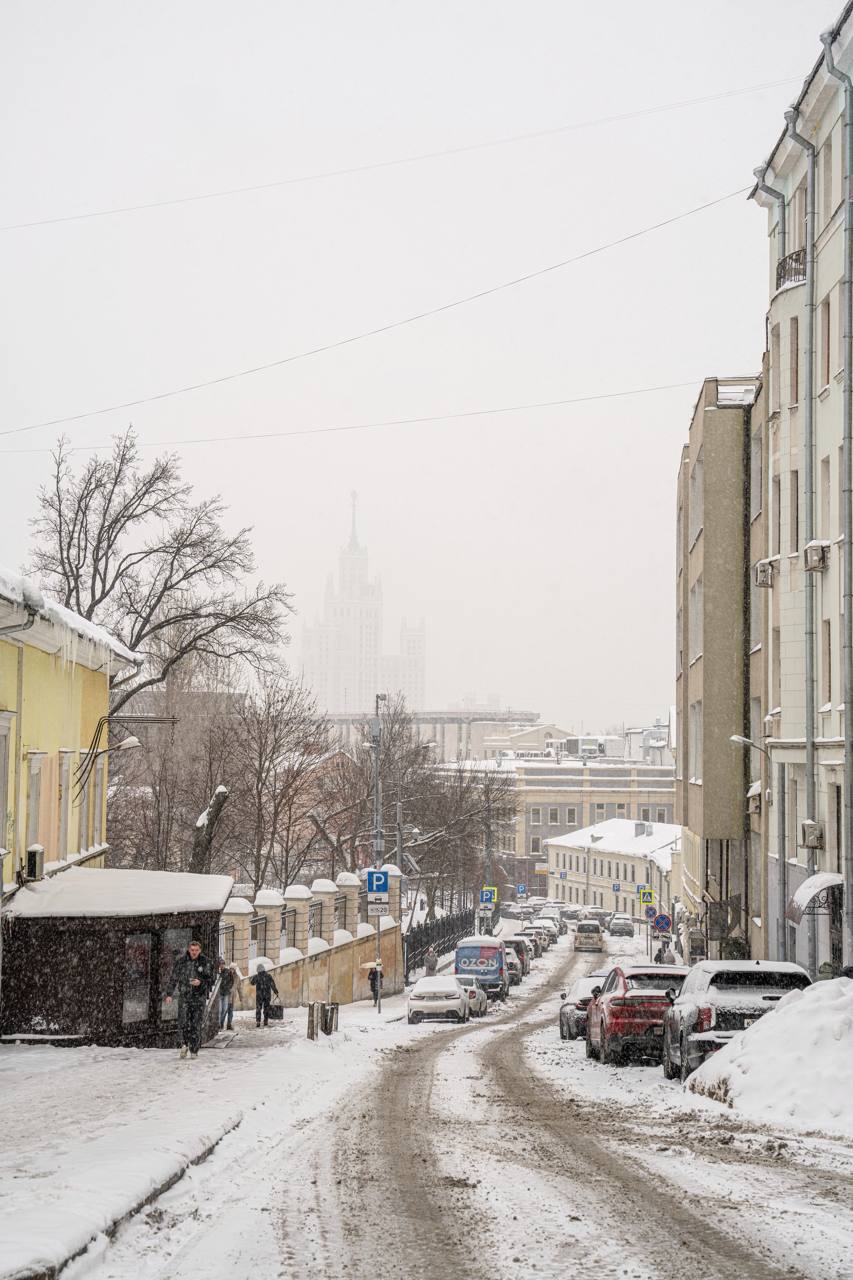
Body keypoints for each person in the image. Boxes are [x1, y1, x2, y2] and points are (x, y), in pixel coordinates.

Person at [165, 939, 215, 1059]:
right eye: (192, 950)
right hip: (185, 996)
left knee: (195, 1024)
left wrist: (201, 982)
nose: (194, 952)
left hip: (199, 997)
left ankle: (194, 1049)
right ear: (189, 949)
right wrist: (169, 994)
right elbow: (174, 977)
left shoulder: (205, 962)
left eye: (196, 950)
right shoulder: (181, 962)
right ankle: (184, 1044)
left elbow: (211, 979)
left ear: (200, 950)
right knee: (183, 1022)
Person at [217, 957, 237, 1031]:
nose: (222, 965)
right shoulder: (218, 972)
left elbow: (232, 980)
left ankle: (221, 1023)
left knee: (225, 1009)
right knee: (219, 1010)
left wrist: (229, 987)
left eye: (223, 964)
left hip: (226, 993)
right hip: (219, 993)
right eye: (220, 964)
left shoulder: (228, 972)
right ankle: (219, 1025)